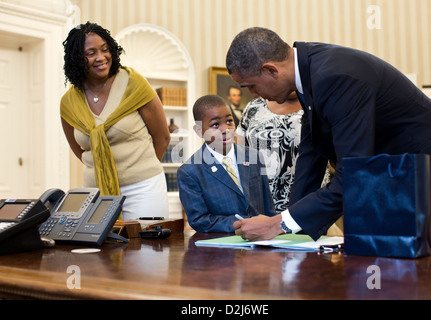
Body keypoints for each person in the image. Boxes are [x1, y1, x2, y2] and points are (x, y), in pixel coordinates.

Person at [226, 27, 431, 240]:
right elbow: (311, 156)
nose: (254, 95)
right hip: (398, 176)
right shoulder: (309, 72)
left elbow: (354, 174)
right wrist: (285, 227)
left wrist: (279, 224)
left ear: (271, 70)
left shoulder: (335, 77)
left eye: (251, 86)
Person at [60, 22, 171, 220]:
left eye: (105, 49)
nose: (101, 57)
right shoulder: (69, 102)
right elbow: (80, 149)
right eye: (91, 53)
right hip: (96, 193)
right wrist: (101, 170)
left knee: (145, 249)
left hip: (143, 189)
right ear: (77, 58)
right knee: (102, 250)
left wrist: (137, 169)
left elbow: (162, 137)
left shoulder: (133, 83)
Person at [177, 95, 275, 232]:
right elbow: (199, 220)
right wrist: (240, 224)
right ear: (199, 131)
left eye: (229, 121)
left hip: (262, 242)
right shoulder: (190, 172)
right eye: (215, 125)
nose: (225, 129)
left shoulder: (253, 156)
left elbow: (269, 208)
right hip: (223, 247)